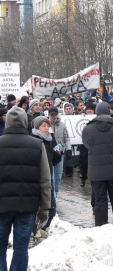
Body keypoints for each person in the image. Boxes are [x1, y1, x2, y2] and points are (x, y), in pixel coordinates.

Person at [0, 107, 51, 270]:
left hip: (1, 206)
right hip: (27, 205)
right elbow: (45, 179)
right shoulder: (37, 144)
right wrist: (45, 207)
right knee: (21, 248)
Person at [82, 102, 113, 233]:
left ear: (96, 112)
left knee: (100, 201)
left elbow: (86, 144)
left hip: (96, 171)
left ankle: (101, 230)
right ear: (109, 112)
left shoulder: (88, 128)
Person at [31, 116, 61, 237]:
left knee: (51, 206)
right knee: (36, 206)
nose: (46, 128)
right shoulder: (32, 139)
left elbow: (56, 159)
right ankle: (34, 229)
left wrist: (55, 148)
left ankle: (44, 227)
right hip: (36, 177)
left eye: (48, 126)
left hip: (49, 176)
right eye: (44, 126)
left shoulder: (50, 139)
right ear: (37, 127)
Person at [48, 106, 72, 198]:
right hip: (50, 154)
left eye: (55, 114)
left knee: (58, 177)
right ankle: (51, 196)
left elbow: (67, 138)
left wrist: (68, 149)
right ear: (49, 115)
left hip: (59, 154)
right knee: (51, 177)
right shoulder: (46, 124)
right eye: (52, 115)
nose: (54, 116)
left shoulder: (62, 124)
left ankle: (55, 195)